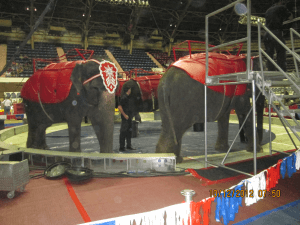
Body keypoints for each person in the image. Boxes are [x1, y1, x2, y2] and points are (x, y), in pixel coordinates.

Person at [264, 1, 292, 71]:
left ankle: (271, 70)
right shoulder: (282, 7)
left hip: (267, 33)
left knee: (269, 54)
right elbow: (290, 17)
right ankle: (282, 70)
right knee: (281, 52)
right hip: (276, 32)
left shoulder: (268, 10)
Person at [118, 87, 136, 152]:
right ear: (128, 90)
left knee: (129, 132)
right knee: (123, 132)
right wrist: (124, 115)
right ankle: (121, 147)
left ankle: (129, 145)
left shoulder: (129, 97)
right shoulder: (124, 97)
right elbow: (119, 107)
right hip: (125, 118)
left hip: (129, 117)